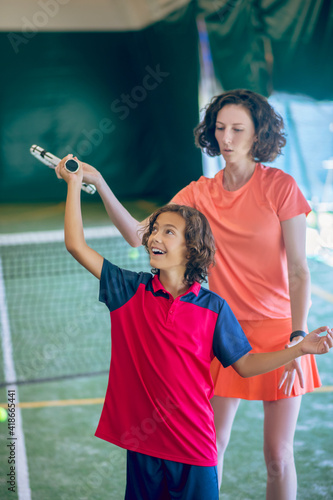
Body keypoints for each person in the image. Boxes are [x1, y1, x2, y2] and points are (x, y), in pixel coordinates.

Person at [56, 154, 332, 500]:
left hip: (196, 450)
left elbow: (245, 365)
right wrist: (74, 186)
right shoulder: (129, 291)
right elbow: (76, 245)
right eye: (155, 230)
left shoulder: (214, 309)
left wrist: (299, 348)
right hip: (144, 447)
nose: (155, 236)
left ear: (192, 248)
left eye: (168, 232)